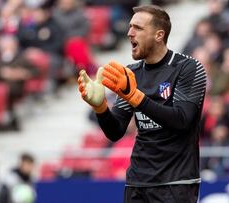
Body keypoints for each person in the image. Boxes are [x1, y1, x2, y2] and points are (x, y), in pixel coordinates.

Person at [78, 5, 207, 203]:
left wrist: (135, 97)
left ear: (159, 35)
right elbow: (115, 131)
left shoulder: (188, 68)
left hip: (176, 183)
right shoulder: (132, 73)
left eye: (138, 28)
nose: (130, 32)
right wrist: (101, 107)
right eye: (130, 26)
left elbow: (182, 120)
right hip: (137, 182)